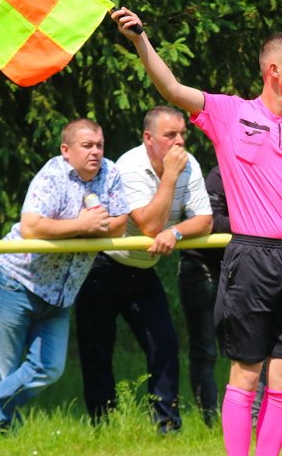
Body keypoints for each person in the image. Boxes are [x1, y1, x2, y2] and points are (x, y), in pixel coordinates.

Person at [113, 9, 282, 456]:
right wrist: (140, 40)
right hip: (251, 258)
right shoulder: (230, 112)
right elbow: (172, 87)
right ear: (273, 70)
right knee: (246, 373)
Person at [0, 118, 129, 428]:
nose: (95, 152)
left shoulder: (111, 173)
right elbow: (31, 226)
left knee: (49, 368)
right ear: (66, 150)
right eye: (87, 146)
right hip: (14, 280)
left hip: (60, 294)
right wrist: (82, 226)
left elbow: (121, 222)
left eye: (99, 145)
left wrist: (96, 226)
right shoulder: (53, 175)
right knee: (4, 372)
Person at [75, 106, 213, 432]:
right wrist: (169, 177)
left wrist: (176, 232)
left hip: (142, 271)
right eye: (170, 136)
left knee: (164, 345)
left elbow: (204, 220)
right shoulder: (130, 165)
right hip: (103, 266)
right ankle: (103, 427)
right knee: (98, 351)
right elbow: (149, 224)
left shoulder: (187, 164)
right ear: (148, 139)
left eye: (182, 134)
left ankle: (166, 427)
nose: (179, 142)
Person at [177, 164, 229, 427]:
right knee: (206, 350)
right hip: (203, 267)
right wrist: (259, 223)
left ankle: (251, 420)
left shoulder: (265, 171)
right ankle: (210, 421)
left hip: (243, 266)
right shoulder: (218, 175)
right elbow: (214, 222)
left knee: (253, 348)